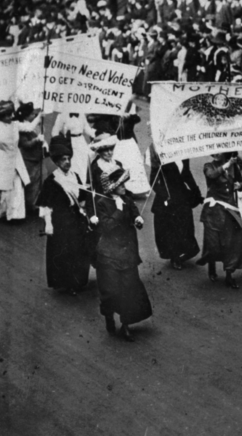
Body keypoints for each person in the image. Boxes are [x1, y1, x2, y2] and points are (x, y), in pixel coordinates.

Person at [85, 168, 152, 342]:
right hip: (109, 254)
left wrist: (138, 220)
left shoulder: (127, 200)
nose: (124, 187)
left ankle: (126, 325)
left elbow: (135, 214)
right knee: (111, 290)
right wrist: (119, 211)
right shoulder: (101, 203)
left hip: (127, 252)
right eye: (121, 184)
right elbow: (106, 226)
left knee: (128, 288)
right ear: (113, 187)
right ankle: (109, 316)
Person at [36, 137, 91, 295]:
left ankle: (78, 281)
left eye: (68, 159)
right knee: (65, 252)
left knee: (79, 250)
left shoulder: (76, 177)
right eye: (63, 159)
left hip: (76, 219)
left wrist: (84, 208)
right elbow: (46, 205)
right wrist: (48, 224)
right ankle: (66, 283)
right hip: (60, 221)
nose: (67, 162)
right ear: (57, 162)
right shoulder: (52, 181)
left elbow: (81, 198)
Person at [199, 152, 242, 289]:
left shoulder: (233, 167)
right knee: (213, 243)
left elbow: (241, 182)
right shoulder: (209, 166)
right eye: (214, 151)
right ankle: (211, 268)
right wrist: (227, 164)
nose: (217, 154)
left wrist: (239, 185)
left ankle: (229, 275)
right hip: (214, 210)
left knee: (232, 243)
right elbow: (211, 175)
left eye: (219, 151)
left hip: (229, 210)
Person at [148, 145, 203, 270]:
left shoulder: (184, 154)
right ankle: (174, 257)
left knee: (185, 225)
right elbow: (153, 180)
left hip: (181, 195)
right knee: (170, 229)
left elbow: (187, 174)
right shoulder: (161, 155)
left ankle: (184, 252)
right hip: (167, 199)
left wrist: (196, 192)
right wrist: (165, 195)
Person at [0, 100, 29, 220]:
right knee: (4, 188)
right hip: (2, 161)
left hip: (16, 159)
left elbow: (29, 127)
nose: (11, 117)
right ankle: (2, 212)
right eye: (8, 115)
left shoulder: (15, 125)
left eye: (11, 114)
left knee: (17, 185)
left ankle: (15, 214)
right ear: (2, 116)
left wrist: (40, 117)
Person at [15, 102, 45, 215]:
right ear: (26, 116)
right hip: (28, 159)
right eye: (32, 114)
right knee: (31, 184)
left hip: (36, 157)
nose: (34, 115)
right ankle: (31, 205)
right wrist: (36, 140)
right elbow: (25, 144)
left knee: (38, 182)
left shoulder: (34, 125)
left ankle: (36, 203)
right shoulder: (22, 127)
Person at [51, 112, 93, 183]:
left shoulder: (81, 114)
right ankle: (73, 186)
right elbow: (54, 132)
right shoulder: (62, 115)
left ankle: (82, 186)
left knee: (83, 165)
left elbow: (87, 128)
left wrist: (96, 135)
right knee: (72, 166)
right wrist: (60, 142)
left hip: (81, 142)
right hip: (69, 142)